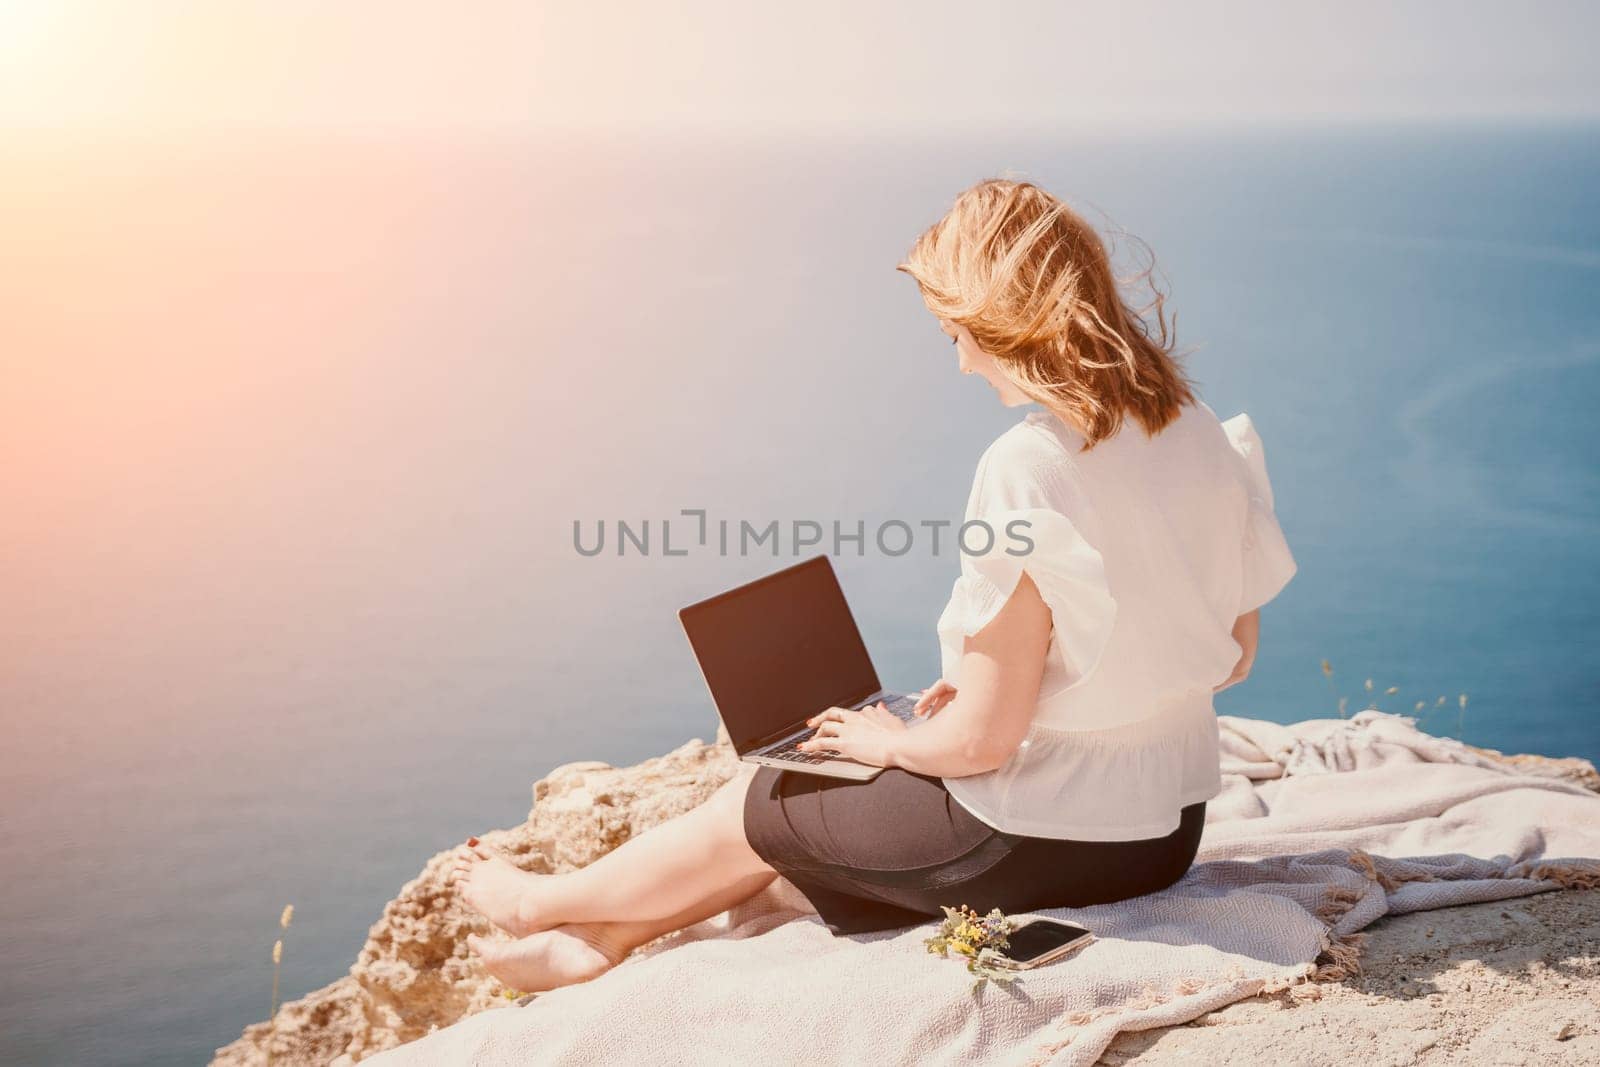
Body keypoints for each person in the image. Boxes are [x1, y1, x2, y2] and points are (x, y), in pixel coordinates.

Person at [447, 178, 1298, 992]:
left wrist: (889, 743)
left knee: (768, 794)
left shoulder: (1026, 468)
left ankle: (536, 903)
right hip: (1164, 832)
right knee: (825, 804)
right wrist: (1019, 689)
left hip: (1040, 838)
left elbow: (981, 748)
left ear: (1003, 320)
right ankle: (605, 936)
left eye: (954, 332)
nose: (961, 362)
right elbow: (1230, 655)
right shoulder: (1191, 426)